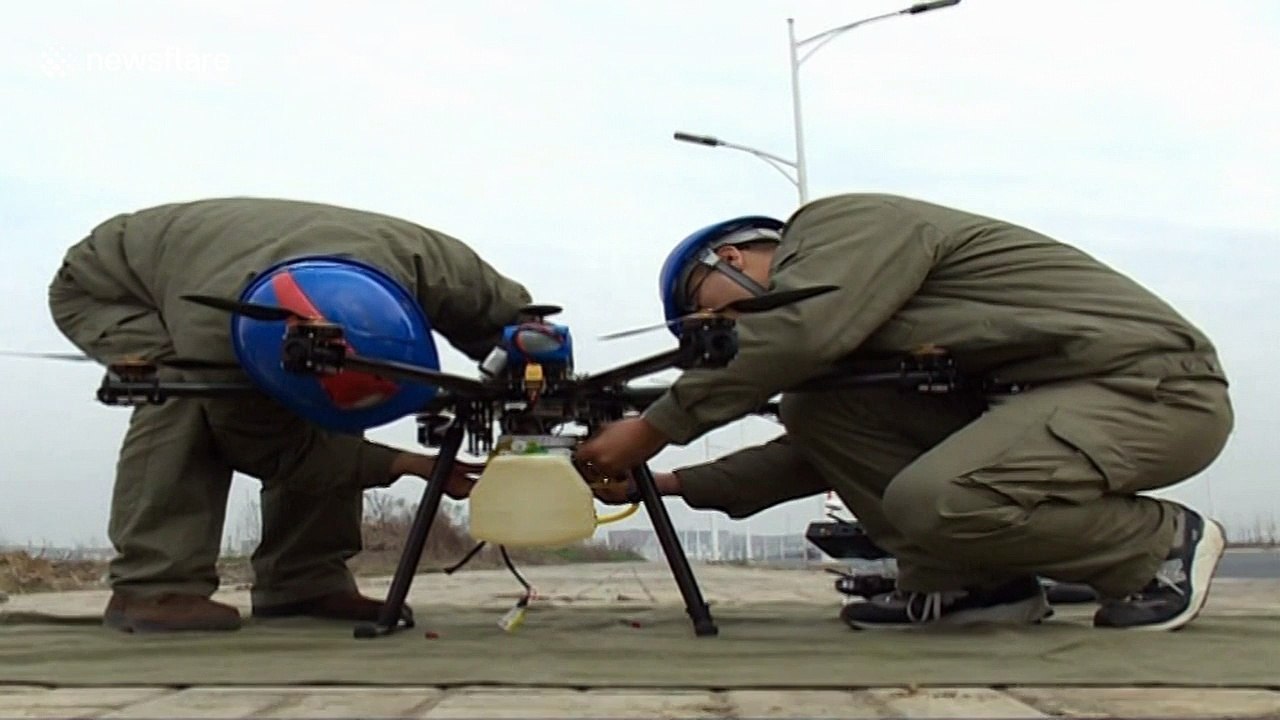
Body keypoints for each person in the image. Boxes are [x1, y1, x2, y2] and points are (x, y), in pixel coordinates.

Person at [576, 193, 1233, 631]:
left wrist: (653, 428)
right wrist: (669, 482)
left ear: (734, 256)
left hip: (1151, 389)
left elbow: (800, 333)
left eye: (709, 308)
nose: (722, 328)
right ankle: (976, 585)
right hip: (1056, 402)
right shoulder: (853, 320)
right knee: (818, 406)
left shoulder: (836, 227)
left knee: (940, 498)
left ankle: (1157, 546)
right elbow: (819, 448)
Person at [48, 197, 534, 633]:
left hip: (220, 260)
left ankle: (303, 583)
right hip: (110, 288)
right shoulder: (217, 341)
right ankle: (154, 587)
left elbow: (524, 329)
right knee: (179, 393)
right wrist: (407, 464)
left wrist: (545, 400)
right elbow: (277, 451)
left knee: (333, 400)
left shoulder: (435, 266)